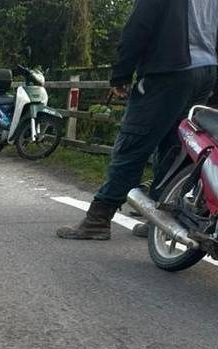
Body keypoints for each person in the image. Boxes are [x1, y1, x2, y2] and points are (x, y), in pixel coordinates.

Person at [57, 0, 218, 240]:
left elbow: (139, 25)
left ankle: (98, 218)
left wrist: (121, 72)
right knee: (175, 146)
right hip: (206, 72)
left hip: (168, 71)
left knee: (133, 141)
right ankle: (159, 219)